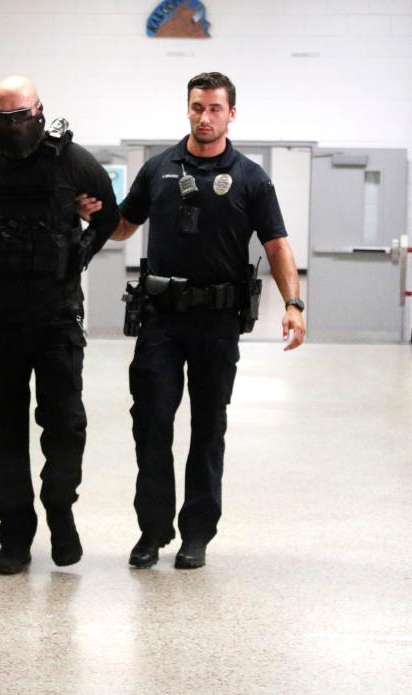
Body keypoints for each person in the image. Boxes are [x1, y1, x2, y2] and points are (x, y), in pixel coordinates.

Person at [82, 71, 306, 570]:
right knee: (152, 424)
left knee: (208, 429)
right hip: (160, 319)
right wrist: (89, 215)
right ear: (187, 108)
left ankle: (196, 534)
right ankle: (152, 530)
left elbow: (277, 244)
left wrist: (294, 303)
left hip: (218, 322)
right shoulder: (159, 168)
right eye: (197, 107)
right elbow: (123, 226)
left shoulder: (251, 177)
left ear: (231, 114)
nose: (205, 117)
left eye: (215, 109)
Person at [0, 76, 120, 575]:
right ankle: (14, 536)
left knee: (66, 425)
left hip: (55, 322)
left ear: (40, 112)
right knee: (5, 435)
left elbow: (109, 215)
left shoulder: (73, 162)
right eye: (3, 119)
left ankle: (60, 510)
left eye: (21, 116)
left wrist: (79, 257)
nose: (12, 127)